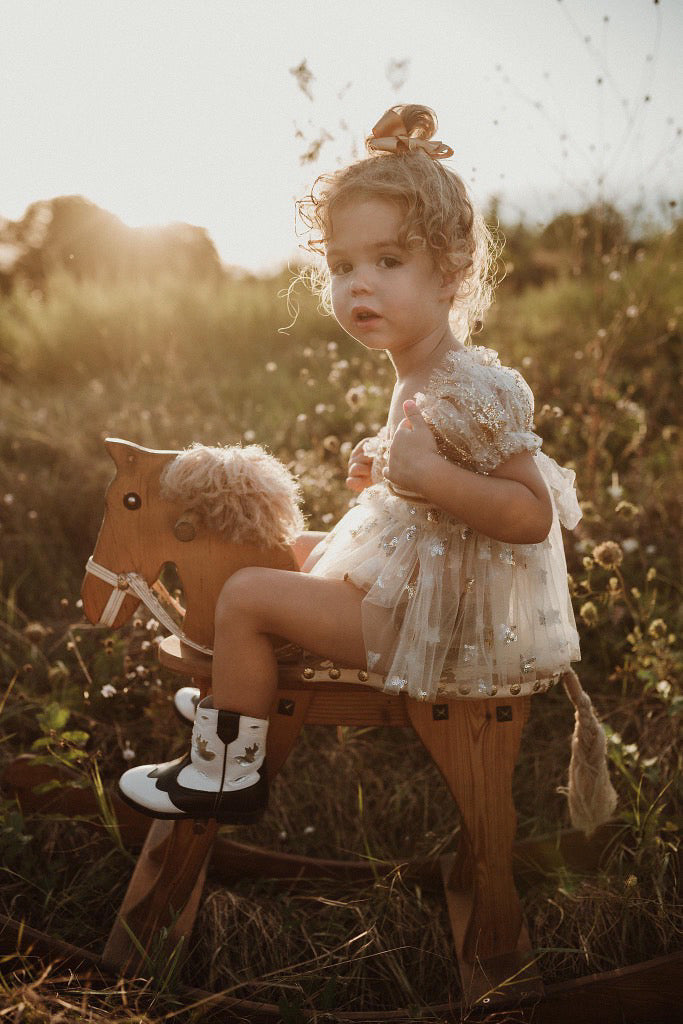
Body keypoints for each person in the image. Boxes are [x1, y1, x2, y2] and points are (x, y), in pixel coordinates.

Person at [119, 105, 615, 833]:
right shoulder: (418, 371)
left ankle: (224, 771)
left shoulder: (471, 384)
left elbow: (528, 514)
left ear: (450, 275)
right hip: (415, 584)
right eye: (342, 266)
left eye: (387, 262)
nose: (359, 285)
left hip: (439, 626)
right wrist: (390, 472)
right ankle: (240, 696)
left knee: (249, 593)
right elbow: (431, 477)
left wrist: (428, 476)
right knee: (279, 553)